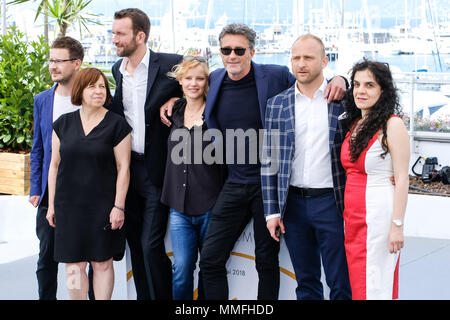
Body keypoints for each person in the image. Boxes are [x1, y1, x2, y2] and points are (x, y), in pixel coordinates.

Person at [161, 24, 347, 300]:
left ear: (252, 51)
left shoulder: (274, 75)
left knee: (267, 262)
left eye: (239, 50)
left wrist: (340, 78)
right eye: (226, 50)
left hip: (268, 184)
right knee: (211, 259)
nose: (232, 55)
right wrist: (173, 99)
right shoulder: (215, 79)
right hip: (233, 184)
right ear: (220, 53)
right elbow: (192, 89)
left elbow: (308, 84)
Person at [262, 34, 352, 300]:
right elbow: (270, 162)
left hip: (332, 204)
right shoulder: (277, 104)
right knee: (306, 282)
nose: (301, 64)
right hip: (294, 206)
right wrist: (271, 212)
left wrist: (343, 79)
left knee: (340, 281)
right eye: (296, 58)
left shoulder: (343, 101)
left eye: (309, 58)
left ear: (324, 61)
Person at [110, 8, 183, 300]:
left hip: (157, 169)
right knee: (135, 245)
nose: (114, 39)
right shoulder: (118, 69)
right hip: (128, 169)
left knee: (151, 245)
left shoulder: (170, 63)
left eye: (120, 33)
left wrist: (178, 97)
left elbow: (204, 76)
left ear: (140, 36)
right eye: (113, 33)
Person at [46, 68, 132, 300]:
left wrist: (119, 206)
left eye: (102, 86)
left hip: (103, 207)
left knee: (102, 263)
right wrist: (52, 205)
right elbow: (54, 166)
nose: (98, 91)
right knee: (73, 266)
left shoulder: (117, 125)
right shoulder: (62, 124)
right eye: (92, 86)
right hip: (68, 206)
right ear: (80, 91)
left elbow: (124, 168)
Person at [30, 36, 96, 300]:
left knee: (86, 259)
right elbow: (38, 148)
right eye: (51, 60)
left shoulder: (92, 98)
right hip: (51, 194)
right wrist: (36, 188)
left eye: (59, 61)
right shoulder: (42, 100)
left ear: (76, 63)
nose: (52, 66)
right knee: (46, 259)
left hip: (88, 192)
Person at [341, 59, 409, 300]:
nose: (361, 90)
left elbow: (402, 179)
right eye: (356, 84)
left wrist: (397, 226)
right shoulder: (356, 124)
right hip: (354, 218)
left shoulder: (393, 125)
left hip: (378, 217)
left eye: (369, 85)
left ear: (383, 90)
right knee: (360, 283)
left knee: (377, 284)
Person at [161, 56, 224, 300]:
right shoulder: (174, 110)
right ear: (180, 80)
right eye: (188, 78)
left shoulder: (216, 113)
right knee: (182, 269)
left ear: (208, 82)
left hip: (210, 204)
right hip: (179, 206)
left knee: (209, 269)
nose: (194, 83)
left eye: (200, 78)